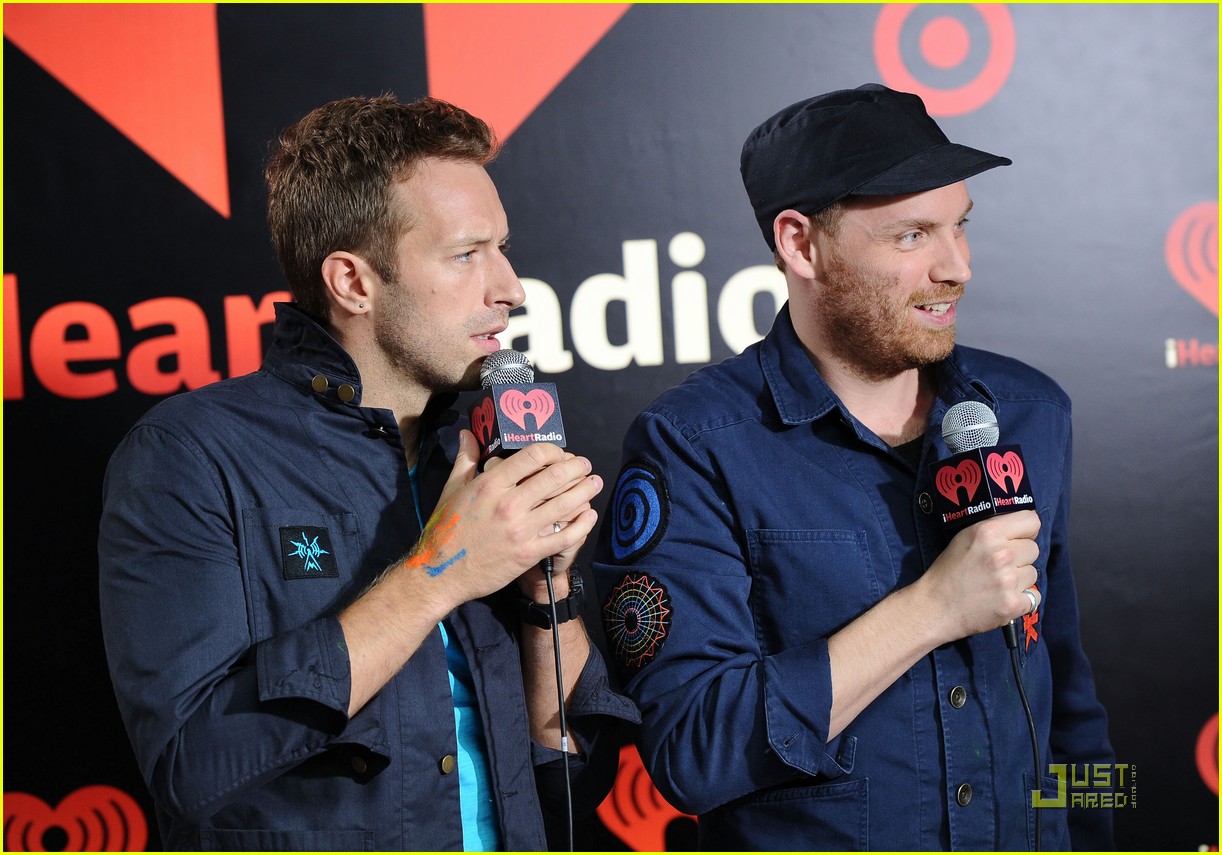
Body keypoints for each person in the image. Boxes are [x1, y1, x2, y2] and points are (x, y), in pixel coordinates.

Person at [99, 94, 637, 851]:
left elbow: (572, 784)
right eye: (466, 253)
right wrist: (442, 571)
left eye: (503, 248)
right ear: (353, 282)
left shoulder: (481, 453)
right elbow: (192, 767)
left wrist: (546, 592)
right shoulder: (191, 455)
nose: (510, 286)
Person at [591, 84, 1115, 850]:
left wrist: (1105, 831)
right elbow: (691, 754)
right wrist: (932, 608)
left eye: (960, 226)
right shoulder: (694, 446)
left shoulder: (1032, 410)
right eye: (912, 237)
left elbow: (1066, 697)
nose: (957, 267)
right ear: (801, 245)